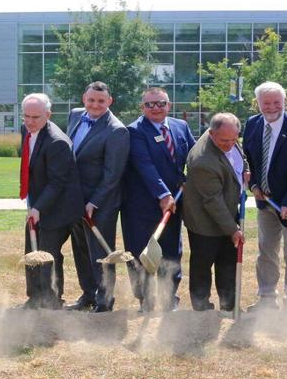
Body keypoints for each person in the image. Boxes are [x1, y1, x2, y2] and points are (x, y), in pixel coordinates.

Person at [241, 81, 287, 310]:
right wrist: (254, 185)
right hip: (266, 203)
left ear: (284, 102)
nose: (272, 107)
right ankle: (266, 298)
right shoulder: (252, 125)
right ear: (258, 104)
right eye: (266, 103)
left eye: (277, 102)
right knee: (266, 252)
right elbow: (250, 161)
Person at [121, 86, 195, 310]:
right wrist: (163, 194)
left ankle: (168, 297)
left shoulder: (180, 127)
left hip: (174, 204)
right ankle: (146, 298)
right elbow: (145, 166)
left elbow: (193, 155)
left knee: (172, 251)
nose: (156, 108)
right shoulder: (134, 131)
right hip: (141, 205)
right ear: (142, 107)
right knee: (141, 252)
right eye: (150, 104)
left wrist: (188, 178)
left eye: (161, 103)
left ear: (169, 105)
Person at [64, 81, 129, 311]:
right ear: (84, 98)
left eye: (101, 101)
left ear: (109, 101)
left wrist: (94, 202)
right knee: (81, 250)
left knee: (101, 253)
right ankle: (88, 294)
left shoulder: (116, 130)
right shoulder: (74, 116)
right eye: (91, 100)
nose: (95, 105)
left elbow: (113, 174)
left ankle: (105, 300)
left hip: (100, 204)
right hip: (75, 201)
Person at [17, 92, 78, 310]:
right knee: (31, 252)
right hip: (38, 203)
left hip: (58, 207)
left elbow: (57, 183)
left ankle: (51, 301)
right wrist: (33, 206)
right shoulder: (27, 130)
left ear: (48, 115)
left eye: (36, 117)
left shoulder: (57, 142)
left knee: (47, 254)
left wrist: (39, 208)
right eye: (26, 116)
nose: (30, 122)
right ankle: (34, 298)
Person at [181, 113, 246, 312]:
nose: (229, 144)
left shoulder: (228, 138)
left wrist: (245, 170)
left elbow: (238, 157)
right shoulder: (204, 161)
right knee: (203, 264)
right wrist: (233, 229)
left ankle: (229, 305)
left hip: (226, 211)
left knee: (227, 261)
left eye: (234, 140)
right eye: (224, 141)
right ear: (211, 134)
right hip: (204, 221)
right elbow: (213, 202)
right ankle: (202, 308)